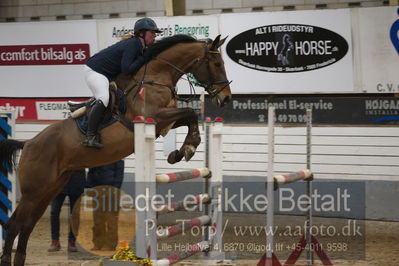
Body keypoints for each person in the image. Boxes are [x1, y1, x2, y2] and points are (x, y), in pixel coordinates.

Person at [82, 17, 161, 149]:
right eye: (152, 33)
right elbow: (126, 70)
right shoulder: (133, 44)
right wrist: (143, 58)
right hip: (95, 71)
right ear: (142, 33)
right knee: (104, 98)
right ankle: (90, 136)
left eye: (155, 33)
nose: (154, 36)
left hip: (107, 74)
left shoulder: (139, 45)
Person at [87, 160, 125, 250]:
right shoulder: (97, 155)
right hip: (97, 190)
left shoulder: (118, 156)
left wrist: (115, 189)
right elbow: (91, 171)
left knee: (111, 219)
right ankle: (98, 243)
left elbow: (119, 175)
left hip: (111, 191)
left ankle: (110, 244)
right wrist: (89, 187)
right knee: (97, 219)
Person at [48, 169, 86, 252]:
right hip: (59, 183)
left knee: (75, 215)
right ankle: (55, 241)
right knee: (54, 212)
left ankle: (72, 241)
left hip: (77, 181)